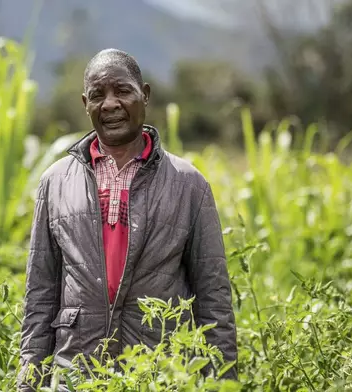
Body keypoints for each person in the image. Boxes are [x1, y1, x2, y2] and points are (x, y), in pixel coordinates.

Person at [17, 48, 237, 390]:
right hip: (77, 374)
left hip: (159, 373)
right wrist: (29, 380)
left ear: (144, 95)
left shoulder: (188, 184)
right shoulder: (56, 182)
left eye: (122, 91)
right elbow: (40, 294)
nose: (110, 104)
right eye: (97, 95)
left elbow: (213, 296)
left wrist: (223, 381)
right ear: (84, 104)